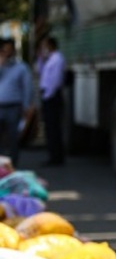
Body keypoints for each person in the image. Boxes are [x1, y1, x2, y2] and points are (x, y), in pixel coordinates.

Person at [0, 38, 34, 168]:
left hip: (13, 106)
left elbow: (27, 87)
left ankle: (12, 164)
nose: (7, 53)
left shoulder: (21, 68)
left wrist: (26, 106)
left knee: (13, 137)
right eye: (4, 50)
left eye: (9, 49)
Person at [35, 36, 66, 166]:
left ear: (51, 45)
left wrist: (48, 95)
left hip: (52, 96)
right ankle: (53, 155)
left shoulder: (58, 59)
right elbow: (39, 71)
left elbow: (56, 80)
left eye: (45, 46)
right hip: (47, 95)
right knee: (49, 127)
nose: (44, 48)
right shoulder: (48, 60)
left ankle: (57, 157)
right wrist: (40, 58)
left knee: (54, 128)